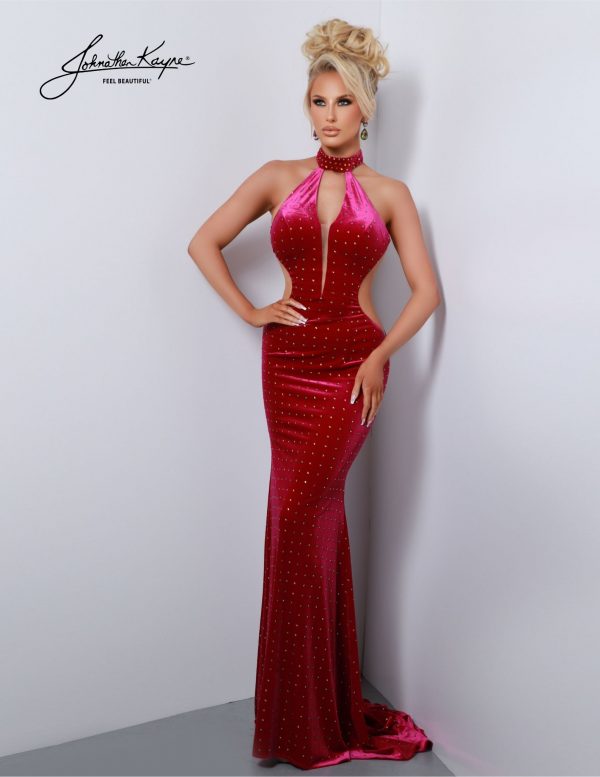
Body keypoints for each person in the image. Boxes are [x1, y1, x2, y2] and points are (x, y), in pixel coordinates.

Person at [187, 16, 440, 771]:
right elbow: (203, 241)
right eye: (318, 101)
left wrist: (380, 356)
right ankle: (304, 711)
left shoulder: (391, 194)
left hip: (352, 367)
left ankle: (310, 715)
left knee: (304, 515)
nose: (328, 116)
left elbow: (426, 293)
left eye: (343, 102)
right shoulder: (276, 176)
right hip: (288, 363)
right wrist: (251, 310)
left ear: (366, 109)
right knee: (302, 519)